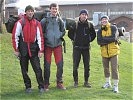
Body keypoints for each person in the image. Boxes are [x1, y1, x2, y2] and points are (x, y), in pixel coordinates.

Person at [12, 5, 44, 93]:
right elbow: (15, 36)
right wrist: (16, 50)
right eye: (28, 11)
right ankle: (28, 87)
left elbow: (40, 37)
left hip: (34, 48)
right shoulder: (20, 22)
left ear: (34, 12)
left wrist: (41, 50)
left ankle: (41, 86)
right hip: (23, 48)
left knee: (37, 69)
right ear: (26, 12)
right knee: (24, 69)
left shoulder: (37, 23)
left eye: (32, 11)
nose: (30, 13)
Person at [40, 3, 66, 91]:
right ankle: (46, 84)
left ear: (57, 10)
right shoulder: (44, 21)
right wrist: (47, 37)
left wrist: (59, 35)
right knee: (47, 65)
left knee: (60, 65)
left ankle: (59, 83)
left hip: (58, 45)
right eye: (53, 9)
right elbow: (41, 32)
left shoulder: (60, 21)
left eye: (56, 9)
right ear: (50, 9)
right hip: (48, 46)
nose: (54, 10)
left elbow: (63, 31)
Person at [68, 9, 96, 88]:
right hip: (76, 48)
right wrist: (75, 40)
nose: (84, 16)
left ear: (87, 16)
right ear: (80, 15)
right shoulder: (75, 24)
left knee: (87, 66)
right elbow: (70, 34)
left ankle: (86, 82)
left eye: (85, 14)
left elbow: (94, 35)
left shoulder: (90, 25)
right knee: (75, 65)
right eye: (82, 14)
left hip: (86, 48)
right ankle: (76, 82)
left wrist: (89, 40)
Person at [97, 15, 120, 93]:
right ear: (101, 21)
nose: (104, 20)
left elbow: (114, 38)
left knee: (114, 69)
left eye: (105, 19)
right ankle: (108, 83)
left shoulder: (113, 28)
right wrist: (108, 39)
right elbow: (98, 41)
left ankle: (115, 86)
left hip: (113, 52)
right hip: (104, 52)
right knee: (106, 69)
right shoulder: (100, 30)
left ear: (108, 20)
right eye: (102, 19)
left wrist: (103, 39)